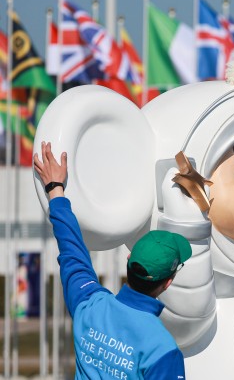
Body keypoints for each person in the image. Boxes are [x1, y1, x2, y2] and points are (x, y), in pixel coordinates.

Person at [34, 141, 191, 379]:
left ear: (129, 260)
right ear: (167, 283)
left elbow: (71, 250)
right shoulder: (163, 350)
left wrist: (55, 188)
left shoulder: (90, 305)